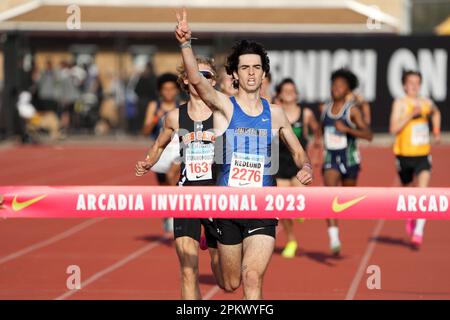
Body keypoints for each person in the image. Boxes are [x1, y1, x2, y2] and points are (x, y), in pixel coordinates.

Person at [175, 8, 312, 300]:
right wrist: (186, 44)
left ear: (264, 74)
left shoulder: (275, 114)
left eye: (257, 68)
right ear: (235, 74)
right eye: (245, 68)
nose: (251, 73)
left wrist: (306, 167)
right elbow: (198, 82)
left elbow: (299, 152)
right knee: (229, 283)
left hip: (262, 206)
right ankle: (210, 236)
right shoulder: (225, 107)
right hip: (227, 207)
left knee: (252, 278)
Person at [135, 56, 224, 299]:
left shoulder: (224, 113)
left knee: (226, 280)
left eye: (206, 75)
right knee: (187, 270)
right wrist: (148, 161)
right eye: (195, 74)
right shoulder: (174, 117)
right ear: (185, 79)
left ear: (214, 81)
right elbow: (158, 144)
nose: (200, 79)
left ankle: (211, 240)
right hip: (186, 196)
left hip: (219, 197)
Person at [320, 68, 373, 256]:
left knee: (345, 200)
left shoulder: (352, 111)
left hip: (349, 159)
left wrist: (347, 130)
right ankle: (334, 237)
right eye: (334, 85)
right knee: (329, 196)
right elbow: (321, 130)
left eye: (341, 86)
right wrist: (320, 143)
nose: (336, 88)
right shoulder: (324, 109)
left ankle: (338, 217)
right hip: (331, 159)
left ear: (347, 89)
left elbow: (369, 135)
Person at [389, 70, 441, 249]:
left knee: (423, 192)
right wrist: (411, 115)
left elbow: (436, 113)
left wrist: (436, 131)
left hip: (422, 155)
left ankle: (419, 230)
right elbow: (393, 128)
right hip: (404, 156)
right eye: (410, 82)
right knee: (409, 194)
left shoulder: (426, 102)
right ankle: (410, 215)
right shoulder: (400, 104)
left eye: (417, 82)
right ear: (404, 85)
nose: (414, 86)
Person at [275, 78, 321, 258]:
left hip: (297, 165)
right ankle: (291, 240)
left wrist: (316, 149)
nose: (289, 92)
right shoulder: (275, 113)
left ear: (296, 93)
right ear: (279, 94)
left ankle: (299, 212)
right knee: (283, 207)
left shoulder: (306, 113)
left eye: (292, 90)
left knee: (300, 201)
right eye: (285, 90)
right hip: (279, 164)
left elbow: (317, 132)